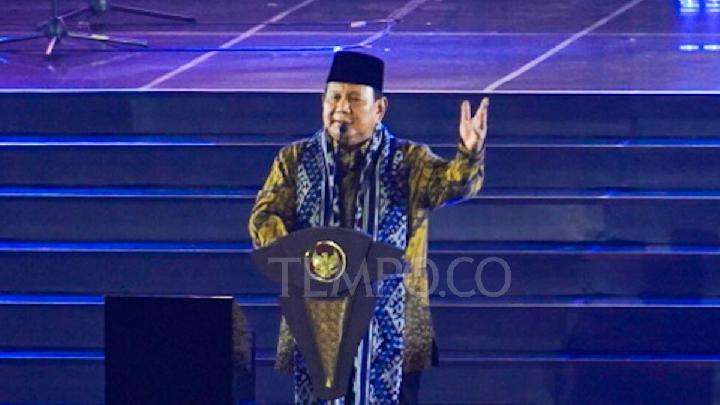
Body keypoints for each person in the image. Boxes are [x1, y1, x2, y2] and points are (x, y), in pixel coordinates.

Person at [249, 51, 488, 404]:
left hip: (392, 327)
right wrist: (303, 258)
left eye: (354, 99)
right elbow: (264, 217)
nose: (341, 108)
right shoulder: (294, 159)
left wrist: (469, 153)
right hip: (315, 322)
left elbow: (454, 184)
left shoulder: (409, 160)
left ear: (379, 109)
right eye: (334, 97)